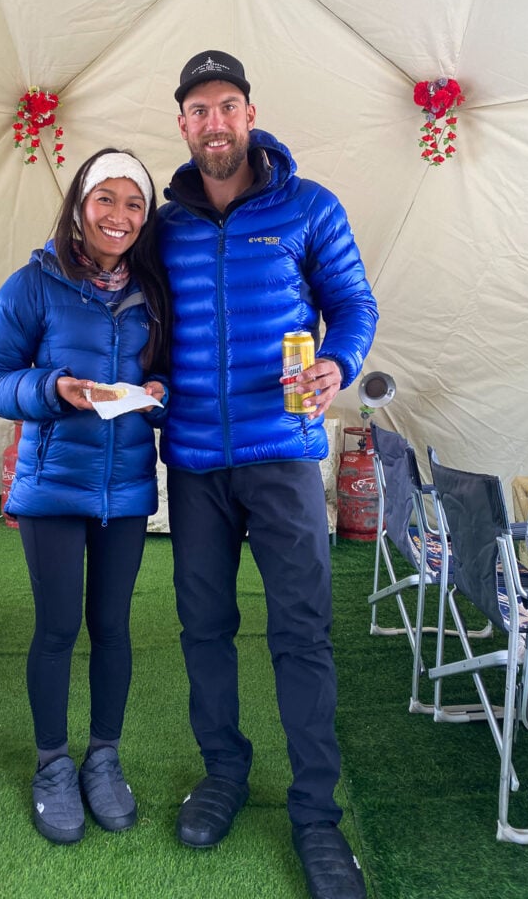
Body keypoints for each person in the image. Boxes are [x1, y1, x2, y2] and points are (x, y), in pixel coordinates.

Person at [158, 51, 378, 899]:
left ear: (250, 114)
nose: (214, 122)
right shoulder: (164, 221)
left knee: (300, 632)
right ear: (182, 123)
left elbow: (355, 302)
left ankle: (317, 815)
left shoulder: (309, 206)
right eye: (198, 109)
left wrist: (337, 360)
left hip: (283, 455)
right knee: (204, 627)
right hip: (195, 463)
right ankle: (223, 773)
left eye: (227, 106)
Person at [0, 148, 170, 845]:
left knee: (113, 628)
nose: (120, 216)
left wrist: (160, 398)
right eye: (106, 200)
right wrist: (51, 388)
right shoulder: (33, 284)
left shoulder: (155, 288)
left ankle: (104, 759)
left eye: (134, 204)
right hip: (53, 487)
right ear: (80, 208)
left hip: (126, 490)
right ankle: (53, 763)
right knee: (58, 629)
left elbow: (168, 378)